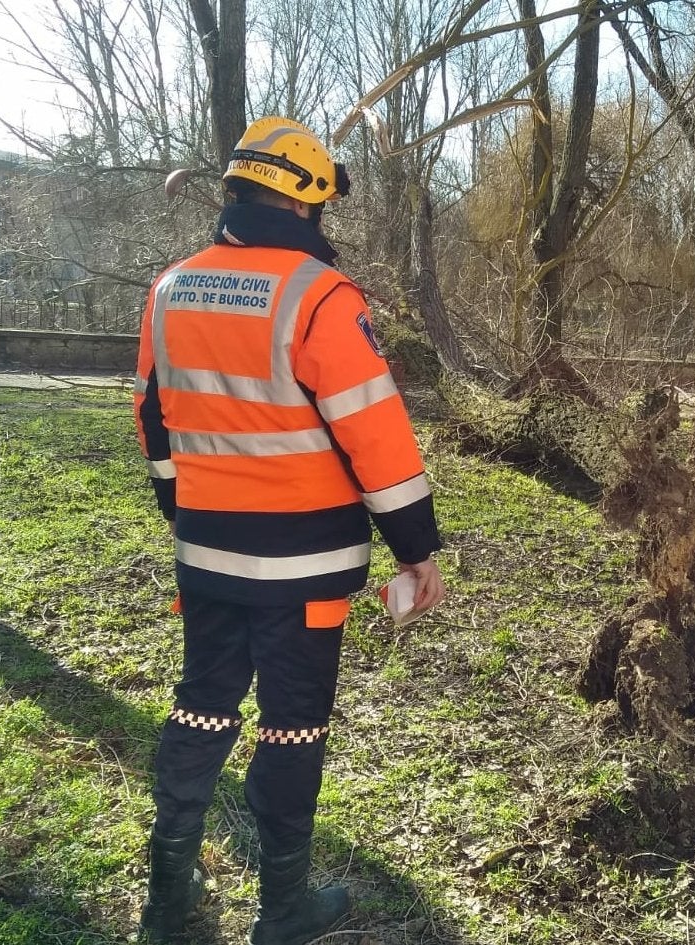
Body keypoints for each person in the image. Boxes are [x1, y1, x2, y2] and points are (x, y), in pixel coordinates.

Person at [132, 116, 445, 945]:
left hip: (206, 553)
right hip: (305, 568)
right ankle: (283, 908)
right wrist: (416, 548)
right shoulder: (321, 297)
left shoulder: (170, 289)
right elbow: (375, 436)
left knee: (201, 705)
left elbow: (152, 420)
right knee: (291, 722)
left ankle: (166, 899)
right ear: (306, 204)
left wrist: (183, 509)